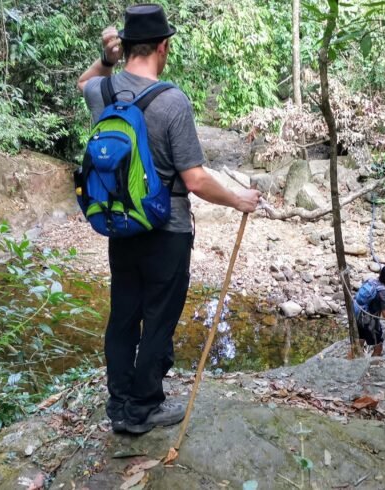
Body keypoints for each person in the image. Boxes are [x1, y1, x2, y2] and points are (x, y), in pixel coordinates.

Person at [76, 4, 261, 435]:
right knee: (158, 317)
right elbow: (194, 179)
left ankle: (119, 404)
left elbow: (84, 82)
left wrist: (106, 60)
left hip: (121, 225)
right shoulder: (171, 100)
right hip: (166, 229)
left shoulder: (103, 91)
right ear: (162, 47)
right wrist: (238, 199)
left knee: (124, 314)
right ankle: (144, 408)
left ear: (125, 46)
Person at [353, 265, 385, 357]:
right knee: (378, 347)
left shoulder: (370, 281)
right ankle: (372, 364)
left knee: (359, 341)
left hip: (358, 315)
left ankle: (349, 361)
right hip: (369, 321)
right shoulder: (384, 292)